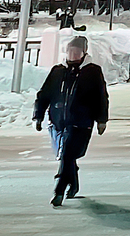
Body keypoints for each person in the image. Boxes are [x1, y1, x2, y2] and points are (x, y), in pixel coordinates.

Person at [33, 35, 108, 207]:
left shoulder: (92, 71)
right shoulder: (58, 71)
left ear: (84, 52)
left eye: (77, 51)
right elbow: (44, 94)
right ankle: (73, 183)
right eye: (70, 51)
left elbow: (101, 96)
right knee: (66, 156)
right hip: (59, 122)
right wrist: (38, 115)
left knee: (67, 154)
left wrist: (101, 119)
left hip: (81, 122)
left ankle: (59, 191)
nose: (73, 54)